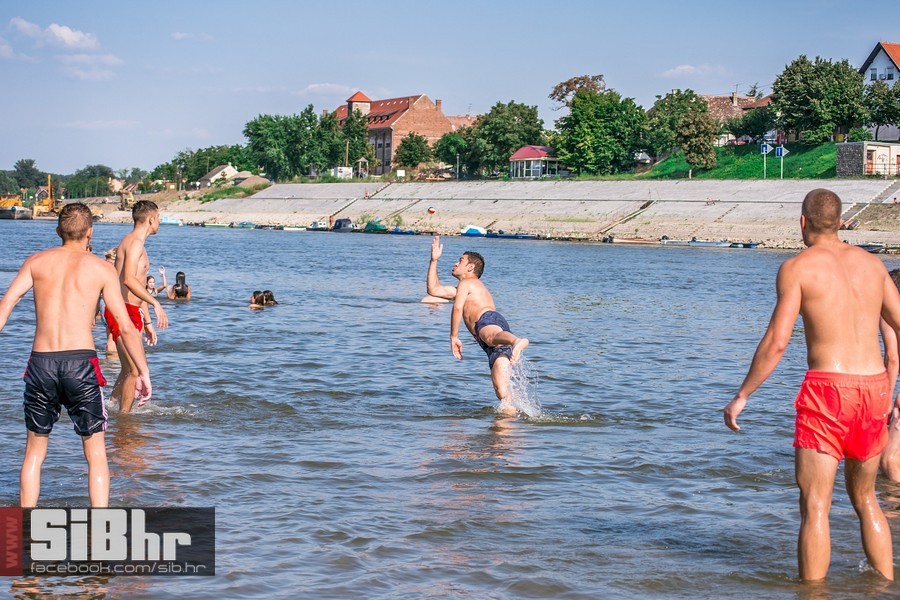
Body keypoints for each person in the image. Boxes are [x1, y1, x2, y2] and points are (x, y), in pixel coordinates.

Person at [723, 189, 900, 582]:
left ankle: (813, 594)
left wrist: (742, 395)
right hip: (874, 389)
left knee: (816, 504)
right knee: (867, 498)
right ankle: (886, 587)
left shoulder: (797, 268)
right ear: (841, 222)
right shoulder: (873, 265)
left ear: (802, 222)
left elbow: (777, 342)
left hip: (828, 390)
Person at [0, 203, 151, 507]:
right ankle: (99, 529)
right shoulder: (101, 268)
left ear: (58, 231)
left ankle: (26, 524)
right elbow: (124, 325)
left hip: (41, 363)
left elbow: (5, 306)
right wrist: (142, 371)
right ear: (90, 232)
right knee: (96, 454)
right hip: (81, 364)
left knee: (34, 452)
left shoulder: (36, 262)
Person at [426, 236, 529, 415]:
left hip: (488, 321)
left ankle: (517, 341)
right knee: (503, 394)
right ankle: (509, 433)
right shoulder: (461, 289)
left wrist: (453, 337)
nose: (456, 263)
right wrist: (434, 260)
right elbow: (433, 290)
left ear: (470, 267)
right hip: (488, 341)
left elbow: (457, 308)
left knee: (490, 336)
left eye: (461, 260)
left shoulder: (467, 283)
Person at [107, 200, 168, 412]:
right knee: (134, 370)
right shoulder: (134, 243)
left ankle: (108, 406)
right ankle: (125, 422)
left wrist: (148, 320)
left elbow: (138, 285)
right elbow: (129, 280)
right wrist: (155, 302)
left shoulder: (134, 243)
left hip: (131, 311)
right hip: (122, 310)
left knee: (127, 369)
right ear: (151, 219)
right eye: (158, 218)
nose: (159, 222)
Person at [880, 268, 900, 481]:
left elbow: (892, 359)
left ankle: (890, 511)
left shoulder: (889, 312)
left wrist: (886, 402)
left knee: (890, 460)